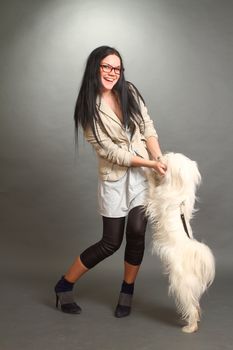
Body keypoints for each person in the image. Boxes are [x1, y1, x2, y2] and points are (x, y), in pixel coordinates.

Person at [54, 45, 167, 318]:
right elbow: (111, 152)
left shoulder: (130, 91)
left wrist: (159, 157)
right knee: (111, 243)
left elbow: (147, 126)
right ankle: (64, 284)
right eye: (106, 66)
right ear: (95, 68)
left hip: (142, 175)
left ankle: (127, 291)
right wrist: (150, 163)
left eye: (117, 68)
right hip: (115, 179)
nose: (112, 72)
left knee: (138, 232)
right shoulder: (87, 109)